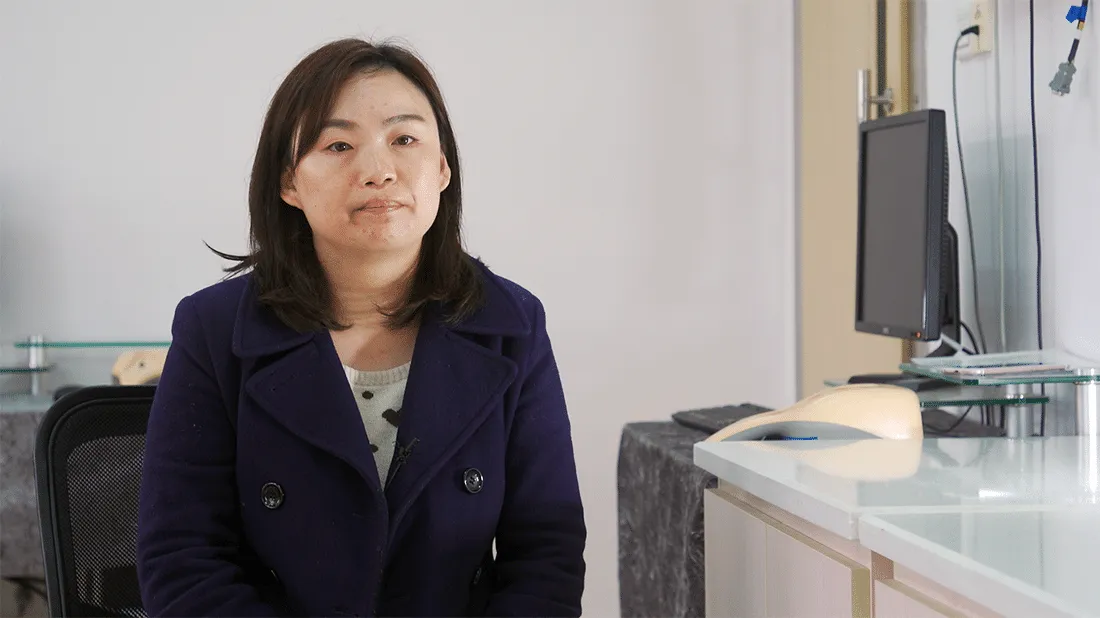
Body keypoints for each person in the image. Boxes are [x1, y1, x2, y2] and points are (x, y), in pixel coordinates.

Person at [135, 38, 586, 617]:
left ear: (442, 167)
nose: (378, 171)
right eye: (339, 144)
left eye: (405, 140)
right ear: (288, 182)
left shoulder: (512, 325)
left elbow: (545, 556)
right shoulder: (213, 330)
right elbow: (182, 561)